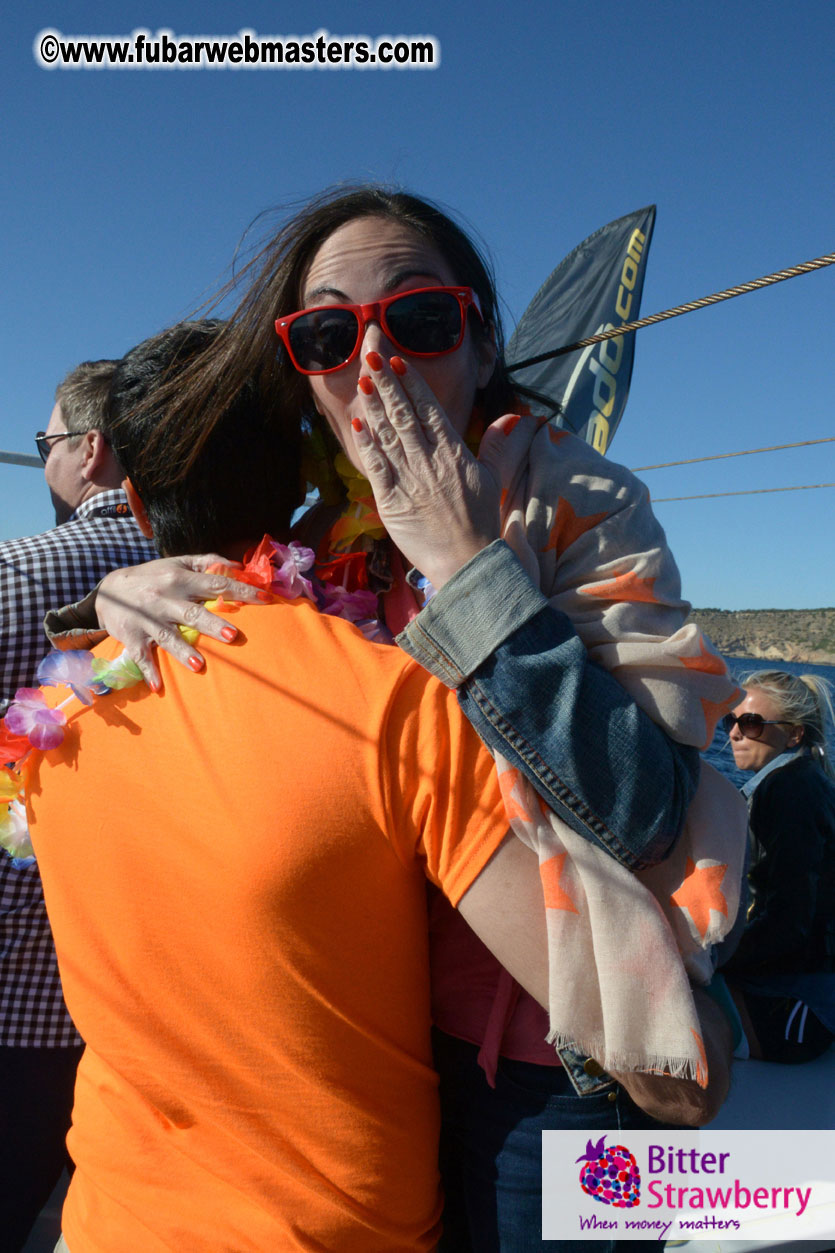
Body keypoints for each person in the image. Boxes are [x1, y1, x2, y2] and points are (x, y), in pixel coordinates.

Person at [43, 188, 744, 1250]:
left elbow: (644, 809)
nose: (374, 359)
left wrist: (467, 568)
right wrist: (118, 591)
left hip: (558, 1066)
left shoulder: (580, 498)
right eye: (330, 334)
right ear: (302, 369)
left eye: (418, 319)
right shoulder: (321, 530)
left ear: (482, 337)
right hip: (387, 1040)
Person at [0, 359, 157, 1251]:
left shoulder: (14, 571)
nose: (45, 457)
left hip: (17, 998)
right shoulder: (238, 580)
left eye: (46, 441)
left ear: (91, 450)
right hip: (149, 1009)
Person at [721, 670, 835, 1064]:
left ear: (794, 735)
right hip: (797, 992)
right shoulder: (802, 780)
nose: (734, 733)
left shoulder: (790, 791)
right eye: (731, 720)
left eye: (751, 723)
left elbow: (790, 922)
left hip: (793, 1007)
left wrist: (712, 961)